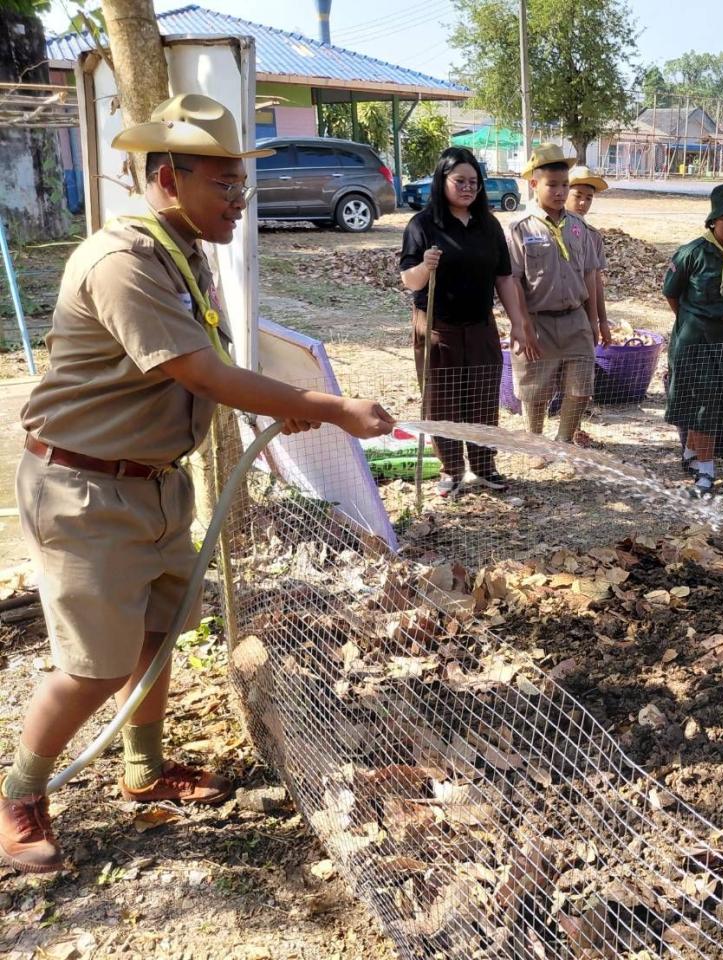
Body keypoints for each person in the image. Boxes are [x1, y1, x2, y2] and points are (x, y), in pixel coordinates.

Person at [1, 94, 394, 874]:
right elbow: (203, 373)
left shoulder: (180, 253)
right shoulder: (122, 264)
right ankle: (17, 796)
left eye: (241, 183)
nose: (239, 199)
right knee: (94, 663)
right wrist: (330, 408)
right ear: (167, 178)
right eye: (224, 183)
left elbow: (212, 368)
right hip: (86, 488)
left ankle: (142, 767)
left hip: (149, 482)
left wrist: (296, 402)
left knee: (154, 637)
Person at [400, 147, 534, 497]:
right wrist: (424, 268)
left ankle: (484, 466)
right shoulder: (422, 225)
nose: (467, 188)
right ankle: (451, 470)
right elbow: (409, 281)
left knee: (482, 397)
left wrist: (517, 322)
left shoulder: (488, 225)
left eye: (473, 182)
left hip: (480, 326)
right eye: (459, 181)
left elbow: (504, 278)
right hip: (436, 327)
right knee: (442, 400)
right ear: (441, 181)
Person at [663, 183, 723, 498]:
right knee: (699, 399)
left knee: (717, 398)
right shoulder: (691, 252)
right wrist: (694, 321)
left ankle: (693, 452)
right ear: (712, 220)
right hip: (695, 333)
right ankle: (705, 470)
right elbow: (672, 293)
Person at [506, 146, 604, 452]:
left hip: (575, 319)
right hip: (538, 321)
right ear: (534, 185)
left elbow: (589, 273)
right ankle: (535, 443)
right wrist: (522, 325)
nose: (560, 192)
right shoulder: (520, 229)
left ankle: (564, 441)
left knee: (580, 387)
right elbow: (513, 280)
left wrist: (594, 320)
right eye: (552, 185)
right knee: (535, 389)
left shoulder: (579, 227)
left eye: (565, 185)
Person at [566, 165, 612, 350]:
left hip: (582, 316)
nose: (583, 203)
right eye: (577, 196)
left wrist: (601, 321)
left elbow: (595, 281)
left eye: (589, 198)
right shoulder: (548, 230)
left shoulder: (593, 236)